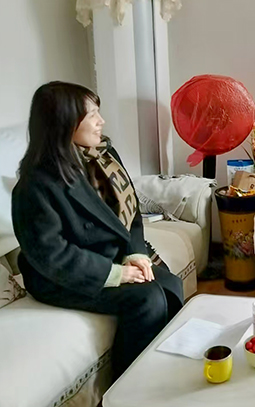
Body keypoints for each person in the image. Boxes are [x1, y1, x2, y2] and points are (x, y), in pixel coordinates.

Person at [12, 81, 183, 378]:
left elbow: (131, 215)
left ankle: (167, 367)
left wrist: (135, 254)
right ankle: (129, 386)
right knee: (147, 299)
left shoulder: (104, 156)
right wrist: (115, 273)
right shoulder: (35, 185)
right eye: (92, 115)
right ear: (65, 122)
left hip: (109, 254)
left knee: (169, 284)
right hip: (62, 276)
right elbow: (51, 256)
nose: (101, 121)